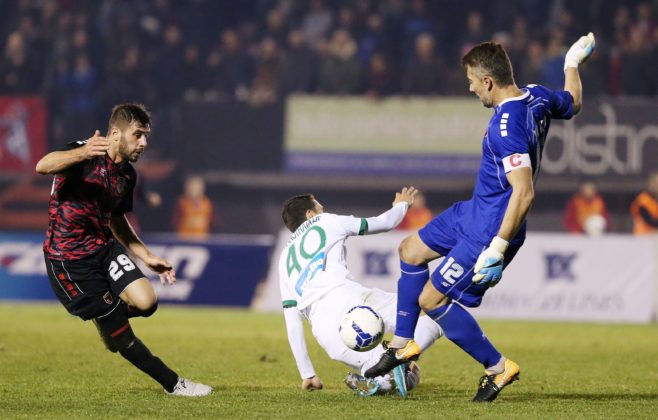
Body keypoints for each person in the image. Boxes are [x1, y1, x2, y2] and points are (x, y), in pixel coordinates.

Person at [365, 33, 596, 403]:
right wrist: (571, 64)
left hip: (489, 229)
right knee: (410, 249)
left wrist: (497, 247)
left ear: (488, 81)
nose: (470, 88)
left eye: (472, 81)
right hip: (472, 211)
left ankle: (497, 367)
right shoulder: (535, 95)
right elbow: (574, 102)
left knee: (431, 300)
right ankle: (402, 345)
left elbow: (524, 192)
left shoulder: (508, 128)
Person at [35, 103, 212, 397]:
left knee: (147, 302)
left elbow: (117, 220)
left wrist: (146, 255)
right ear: (115, 134)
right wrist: (83, 152)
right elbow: (43, 165)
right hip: (70, 260)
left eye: (146, 136)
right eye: (137, 134)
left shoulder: (127, 175)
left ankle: (107, 318)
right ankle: (173, 384)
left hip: (104, 247)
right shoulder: (83, 153)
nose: (143, 143)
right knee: (122, 336)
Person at [278, 188, 443, 397]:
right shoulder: (325, 221)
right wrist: (401, 205)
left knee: (394, 372)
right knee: (434, 312)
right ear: (310, 214)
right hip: (350, 301)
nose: (323, 211)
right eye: (320, 208)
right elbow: (383, 223)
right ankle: (398, 363)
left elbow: (292, 321)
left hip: (326, 332)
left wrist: (307, 373)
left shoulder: (284, 259)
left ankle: (383, 379)